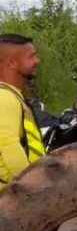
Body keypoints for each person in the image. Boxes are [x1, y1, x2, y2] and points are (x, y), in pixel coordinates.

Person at [0, 34, 44, 189]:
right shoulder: (5, 98)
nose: (37, 61)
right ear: (11, 63)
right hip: (11, 200)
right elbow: (7, 146)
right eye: (31, 57)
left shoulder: (11, 95)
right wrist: (32, 188)